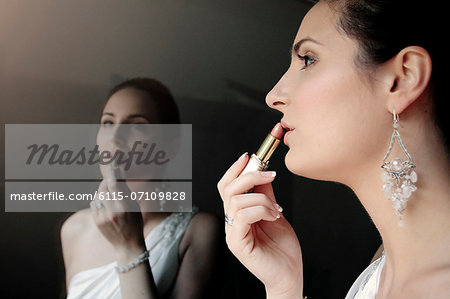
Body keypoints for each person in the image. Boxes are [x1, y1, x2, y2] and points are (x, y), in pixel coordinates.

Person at [218, 0, 449, 298]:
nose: (273, 96)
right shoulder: (380, 269)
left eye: (308, 59)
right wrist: (284, 286)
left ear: (402, 78)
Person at [61, 77, 223, 299]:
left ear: (170, 146)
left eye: (137, 125)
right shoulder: (74, 229)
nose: (115, 138)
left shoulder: (199, 231)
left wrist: (129, 246)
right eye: (108, 123)